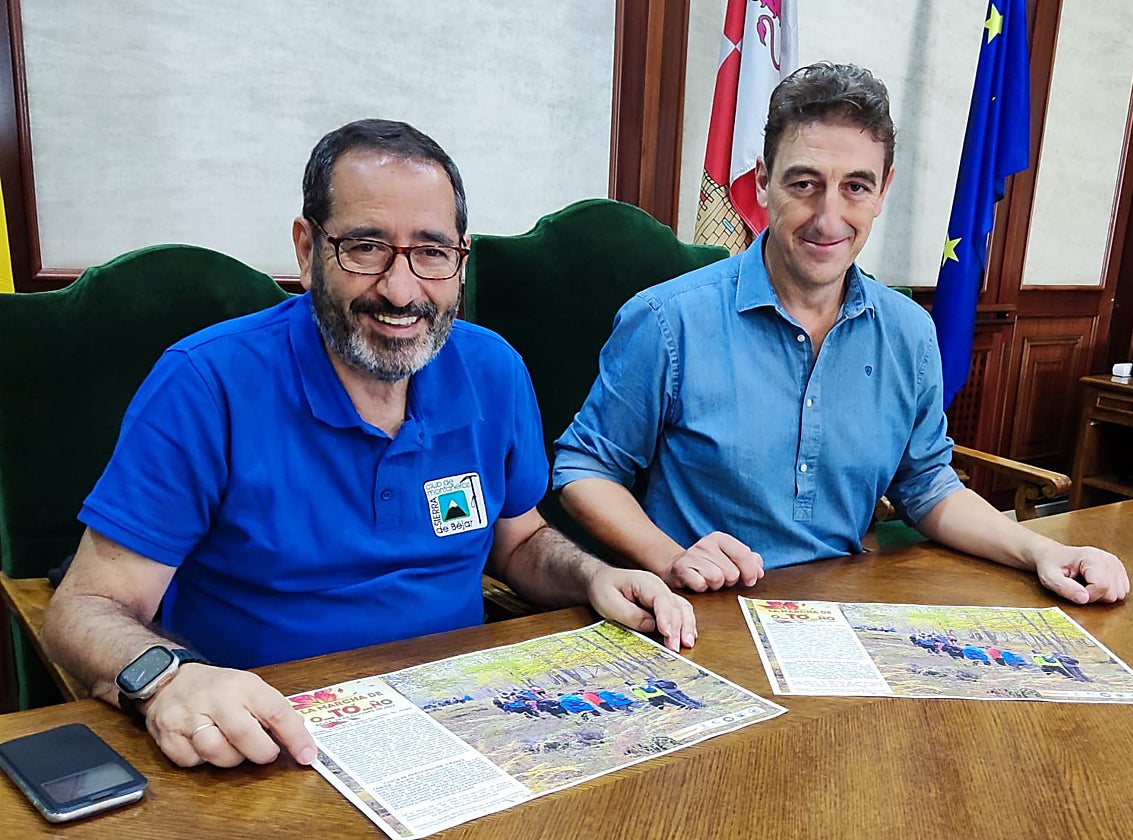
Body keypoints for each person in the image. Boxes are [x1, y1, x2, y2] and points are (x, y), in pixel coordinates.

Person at [42, 119, 695, 770]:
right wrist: (172, 680)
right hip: (263, 739)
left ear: (460, 259)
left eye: (432, 251)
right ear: (307, 249)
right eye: (365, 246)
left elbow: (517, 539)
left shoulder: (493, 370)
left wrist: (597, 575)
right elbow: (86, 607)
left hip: (469, 724)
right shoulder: (205, 384)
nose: (402, 289)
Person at [552, 62, 1129, 606]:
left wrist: (1045, 550)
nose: (829, 218)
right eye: (804, 183)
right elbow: (584, 470)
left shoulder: (909, 332)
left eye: (856, 186)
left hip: (845, 618)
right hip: (700, 616)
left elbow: (927, 487)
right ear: (762, 183)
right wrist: (672, 558)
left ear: (883, 190)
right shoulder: (666, 320)